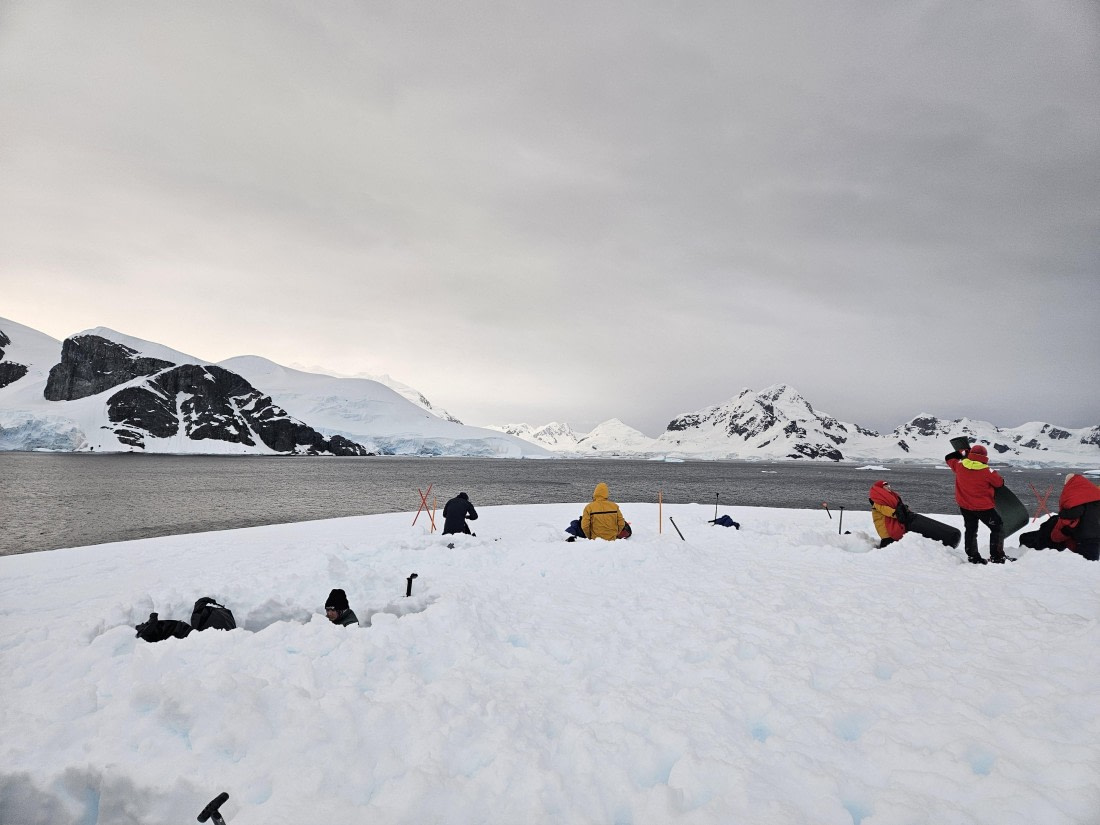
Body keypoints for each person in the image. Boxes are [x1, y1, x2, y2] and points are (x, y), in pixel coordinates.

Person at [944, 443, 1005, 564]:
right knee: (997, 527)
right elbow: (1000, 483)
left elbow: (948, 458)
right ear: (985, 457)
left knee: (971, 530)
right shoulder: (988, 471)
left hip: (965, 507)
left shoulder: (959, 466)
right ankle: (996, 557)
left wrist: (962, 452)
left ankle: (973, 557)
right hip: (984, 508)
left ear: (970, 454)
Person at [1051, 473, 1100, 561]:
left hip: (1084, 533)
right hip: (1096, 532)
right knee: (1092, 561)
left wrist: (1062, 514)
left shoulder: (1078, 496)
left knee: (1085, 562)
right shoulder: (1094, 493)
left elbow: (1075, 513)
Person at [868, 480, 911, 549]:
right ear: (880, 489)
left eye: (888, 486)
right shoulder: (878, 503)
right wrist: (898, 513)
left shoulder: (889, 498)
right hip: (886, 530)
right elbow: (887, 510)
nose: (888, 487)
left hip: (891, 527)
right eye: (885, 486)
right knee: (887, 545)